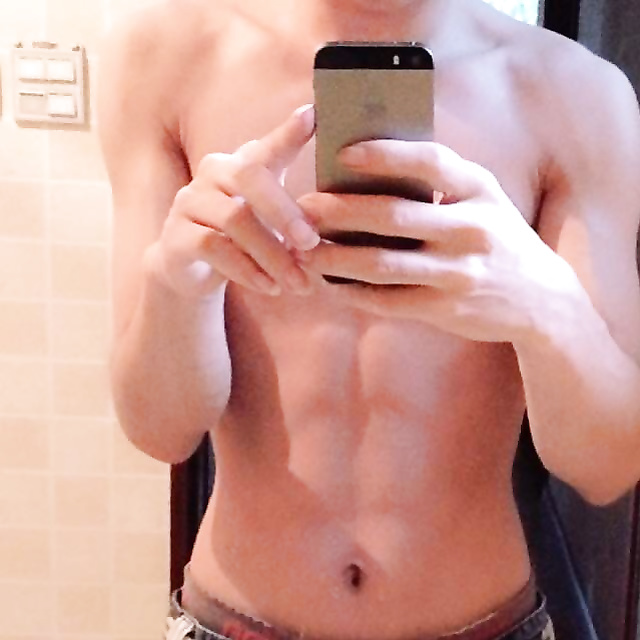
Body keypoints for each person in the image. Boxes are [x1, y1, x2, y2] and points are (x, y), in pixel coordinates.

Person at [98, 0, 640, 638]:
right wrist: (178, 285)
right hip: (234, 621)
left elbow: (606, 468)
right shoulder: (164, 58)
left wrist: (545, 309)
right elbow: (159, 431)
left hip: (485, 624)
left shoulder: (575, 93)